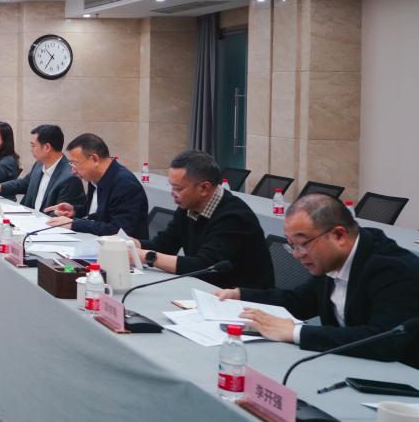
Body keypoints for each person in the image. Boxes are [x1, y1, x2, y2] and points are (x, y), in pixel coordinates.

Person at [217, 194, 419, 366]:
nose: (297, 254)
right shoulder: (331, 261)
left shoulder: (393, 269)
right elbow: (299, 302)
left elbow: (384, 341)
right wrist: (241, 295)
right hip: (352, 365)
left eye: (302, 244)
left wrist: (296, 333)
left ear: (339, 235)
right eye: (292, 245)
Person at [135, 150, 273, 289]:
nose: (172, 193)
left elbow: (204, 267)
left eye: (178, 188)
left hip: (241, 297)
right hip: (206, 289)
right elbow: (164, 245)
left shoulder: (234, 217)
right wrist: (132, 244)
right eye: (171, 186)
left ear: (204, 188)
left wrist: (146, 256)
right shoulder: (188, 206)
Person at [45, 133, 148, 239]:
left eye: (75, 163)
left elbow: (117, 230)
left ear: (94, 159)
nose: (73, 170)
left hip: (122, 247)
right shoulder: (95, 177)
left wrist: (73, 224)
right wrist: (74, 211)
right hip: (94, 241)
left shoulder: (125, 184)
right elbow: (96, 212)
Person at [0, 124, 84, 212]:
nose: (31, 149)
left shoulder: (70, 177)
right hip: (29, 217)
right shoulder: (39, 164)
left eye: (33, 145)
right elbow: (23, 184)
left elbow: (59, 214)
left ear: (47, 147)